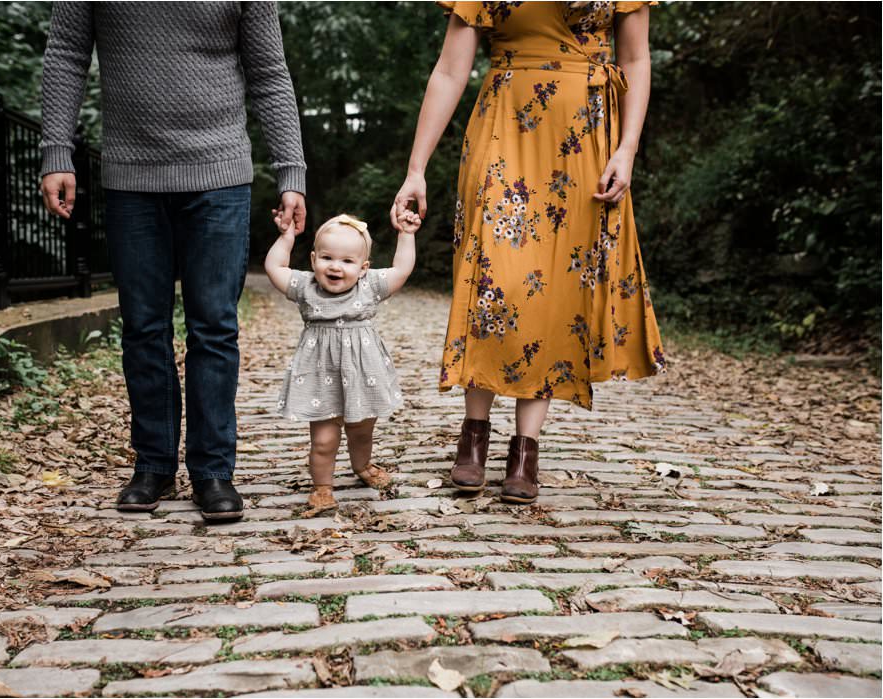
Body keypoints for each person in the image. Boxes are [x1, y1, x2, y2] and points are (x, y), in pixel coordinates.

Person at [39, 3, 307, 520]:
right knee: (143, 326)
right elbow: (67, 55)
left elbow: (269, 72)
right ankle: (154, 465)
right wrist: (57, 152)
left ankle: (212, 472)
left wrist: (290, 170)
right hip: (131, 175)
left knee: (214, 326)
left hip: (221, 171)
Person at [392, 2, 665, 504]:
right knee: (495, 279)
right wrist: (416, 168)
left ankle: (526, 449)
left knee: (552, 292)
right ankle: (474, 432)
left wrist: (627, 149)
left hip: (586, 138)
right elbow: (451, 70)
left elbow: (636, 60)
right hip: (504, 128)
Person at [264, 210, 420, 513]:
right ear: (313, 261)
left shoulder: (370, 286)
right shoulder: (305, 287)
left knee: (362, 430)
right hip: (320, 376)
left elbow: (402, 269)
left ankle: (361, 465)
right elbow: (274, 266)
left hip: (363, 376)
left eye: (347, 261)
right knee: (323, 439)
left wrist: (407, 234)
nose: (336, 266)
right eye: (327, 258)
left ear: (363, 268)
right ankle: (322, 486)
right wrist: (286, 236)